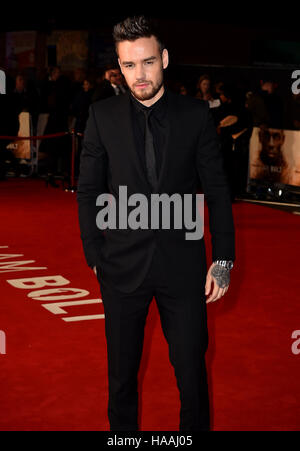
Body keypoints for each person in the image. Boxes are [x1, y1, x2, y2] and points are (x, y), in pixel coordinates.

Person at [77, 15, 235, 432]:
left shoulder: (196, 116)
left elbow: (217, 191)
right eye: (129, 65)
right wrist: (95, 255)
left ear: (163, 58)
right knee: (121, 379)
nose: (139, 75)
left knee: (192, 376)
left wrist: (223, 260)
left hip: (183, 270)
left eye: (147, 62)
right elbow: (89, 190)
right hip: (121, 268)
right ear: (119, 65)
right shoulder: (102, 116)